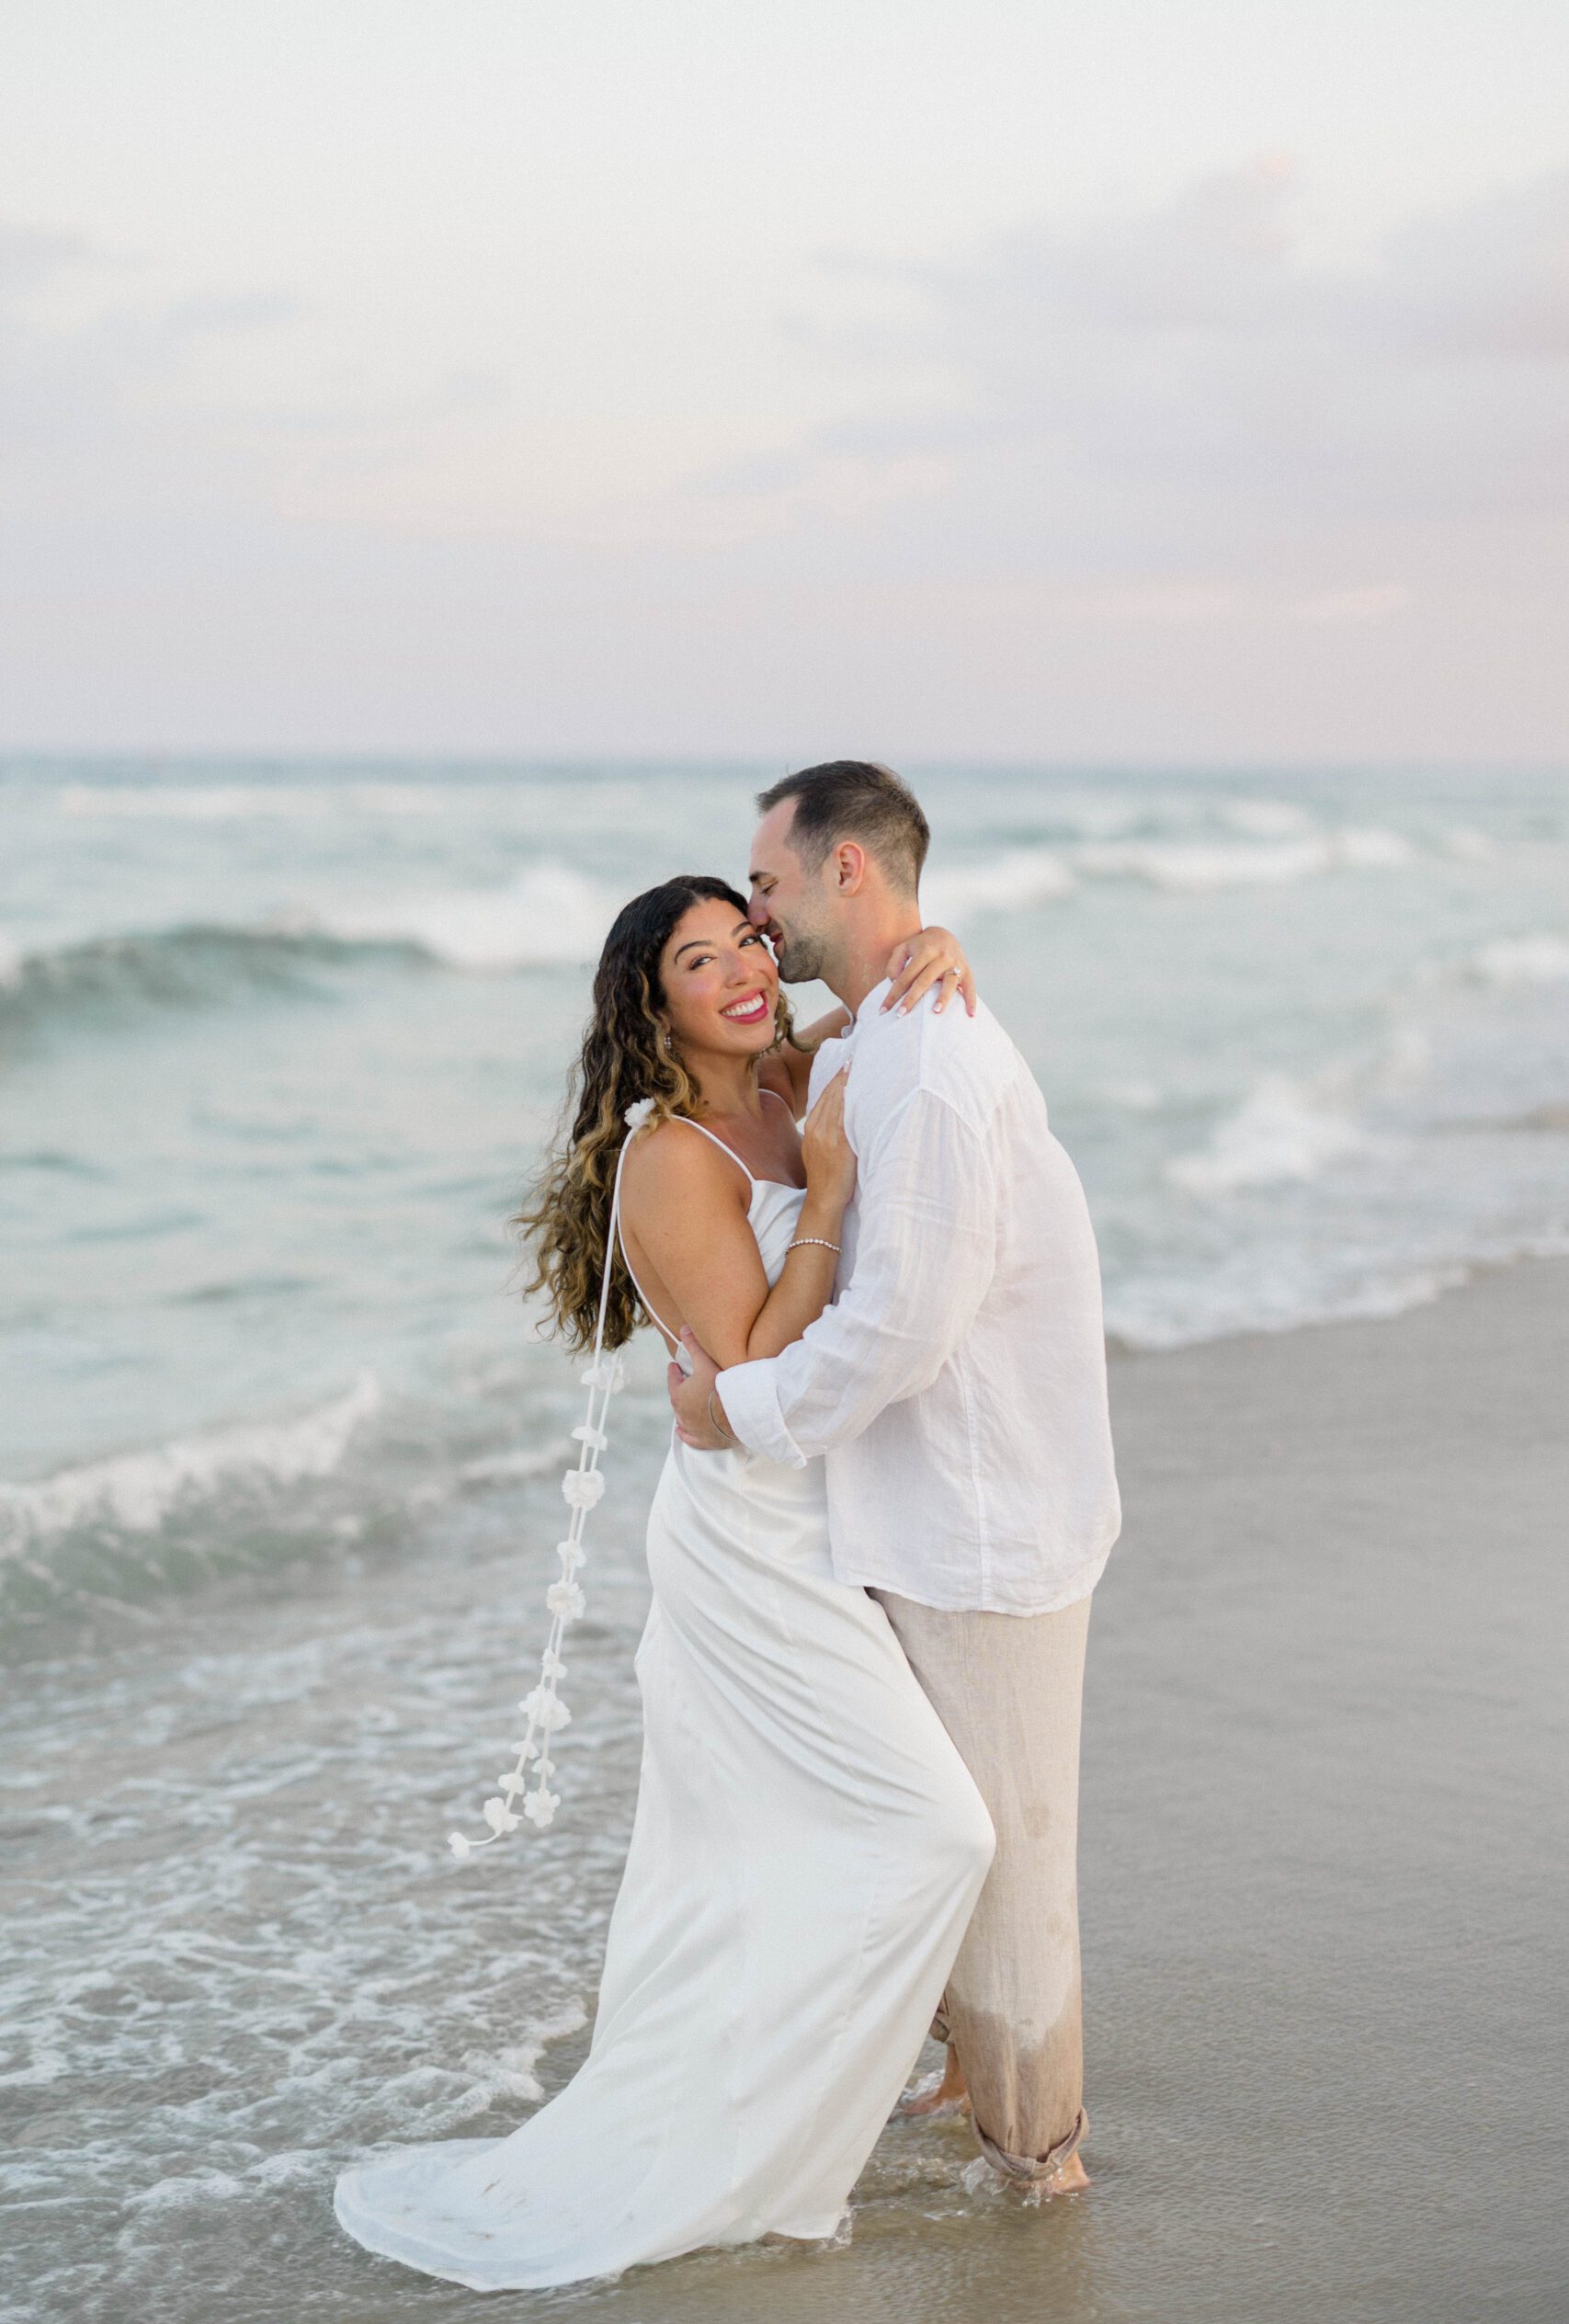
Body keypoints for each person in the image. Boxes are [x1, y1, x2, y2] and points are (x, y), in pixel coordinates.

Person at [333, 875, 995, 2291]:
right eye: (705, 960)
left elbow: (887, 1015)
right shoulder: (672, 1155)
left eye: (752, 937)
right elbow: (749, 1367)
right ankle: (753, 2132)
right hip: (754, 1541)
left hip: (845, 1509)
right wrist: (827, 1189)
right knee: (938, 1829)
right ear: (655, 1001)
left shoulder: (794, 1072)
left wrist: (932, 950)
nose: (750, 968)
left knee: (768, 1849)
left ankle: (810, 2094)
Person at [669, 760, 1121, 2193]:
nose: (757, 911)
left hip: (985, 1518)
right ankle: (961, 2075)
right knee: (941, 1832)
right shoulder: (873, 1034)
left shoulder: (924, 1057)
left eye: (770, 883)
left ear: (846, 871)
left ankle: (1039, 2161)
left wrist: (740, 1408)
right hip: (913, 1506)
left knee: (1013, 1862)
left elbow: (904, 1332)